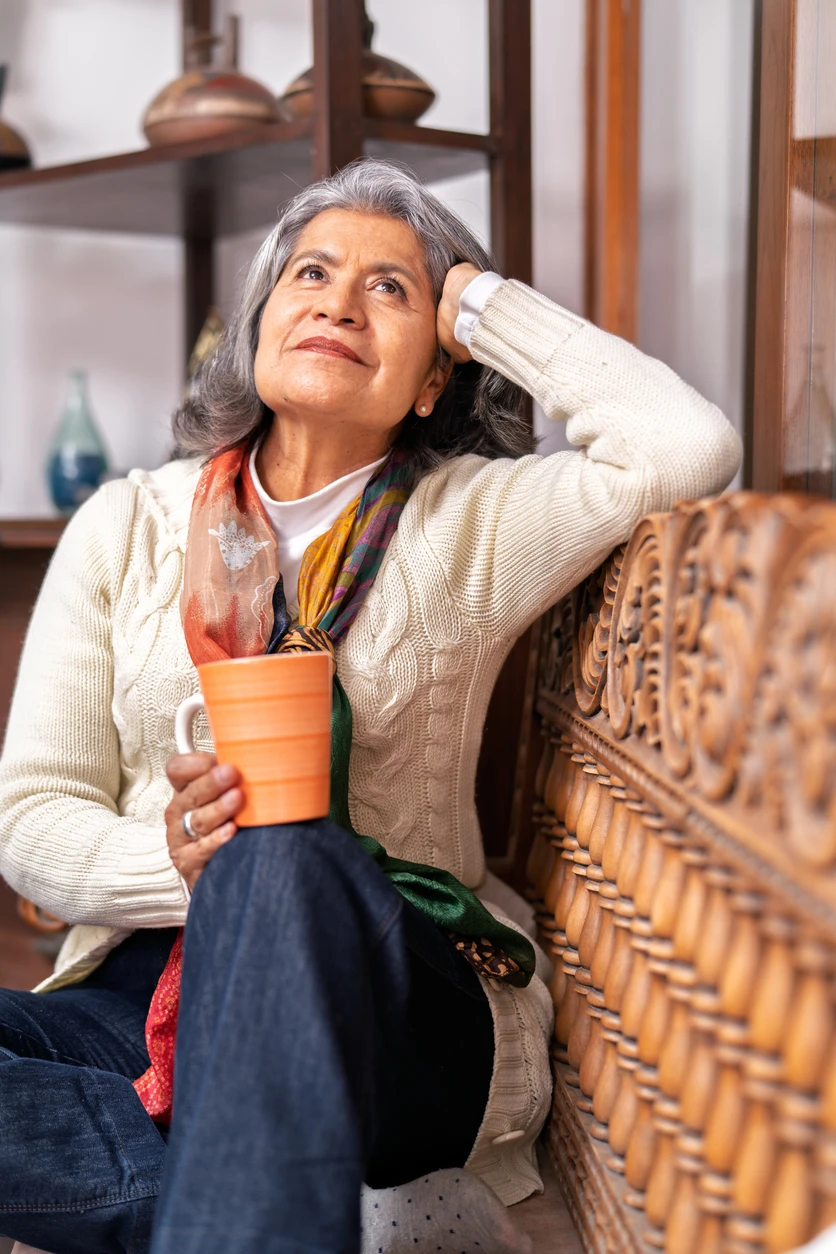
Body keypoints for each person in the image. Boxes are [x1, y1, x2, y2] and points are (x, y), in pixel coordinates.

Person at [0, 158, 741, 1254]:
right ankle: (316, 1211)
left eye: (390, 289)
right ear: (259, 327)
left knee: (281, 857)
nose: (338, 302)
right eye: (309, 272)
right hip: (143, 997)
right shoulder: (126, 525)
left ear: (434, 374)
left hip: (394, 997)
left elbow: (686, 449)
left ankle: (249, 1190)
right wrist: (178, 864)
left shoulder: (473, 521)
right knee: (242, 866)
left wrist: (478, 300)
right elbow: (31, 818)